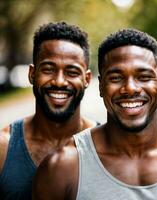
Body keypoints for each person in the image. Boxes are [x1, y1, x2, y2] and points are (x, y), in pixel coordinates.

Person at [33, 28, 157, 200]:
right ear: (100, 86)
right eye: (116, 78)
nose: (130, 88)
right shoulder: (62, 167)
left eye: (143, 77)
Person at [0, 22, 98, 199]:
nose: (59, 81)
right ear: (32, 74)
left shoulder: (108, 145)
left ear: (87, 79)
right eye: (48, 69)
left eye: (72, 72)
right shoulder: (3, 147)